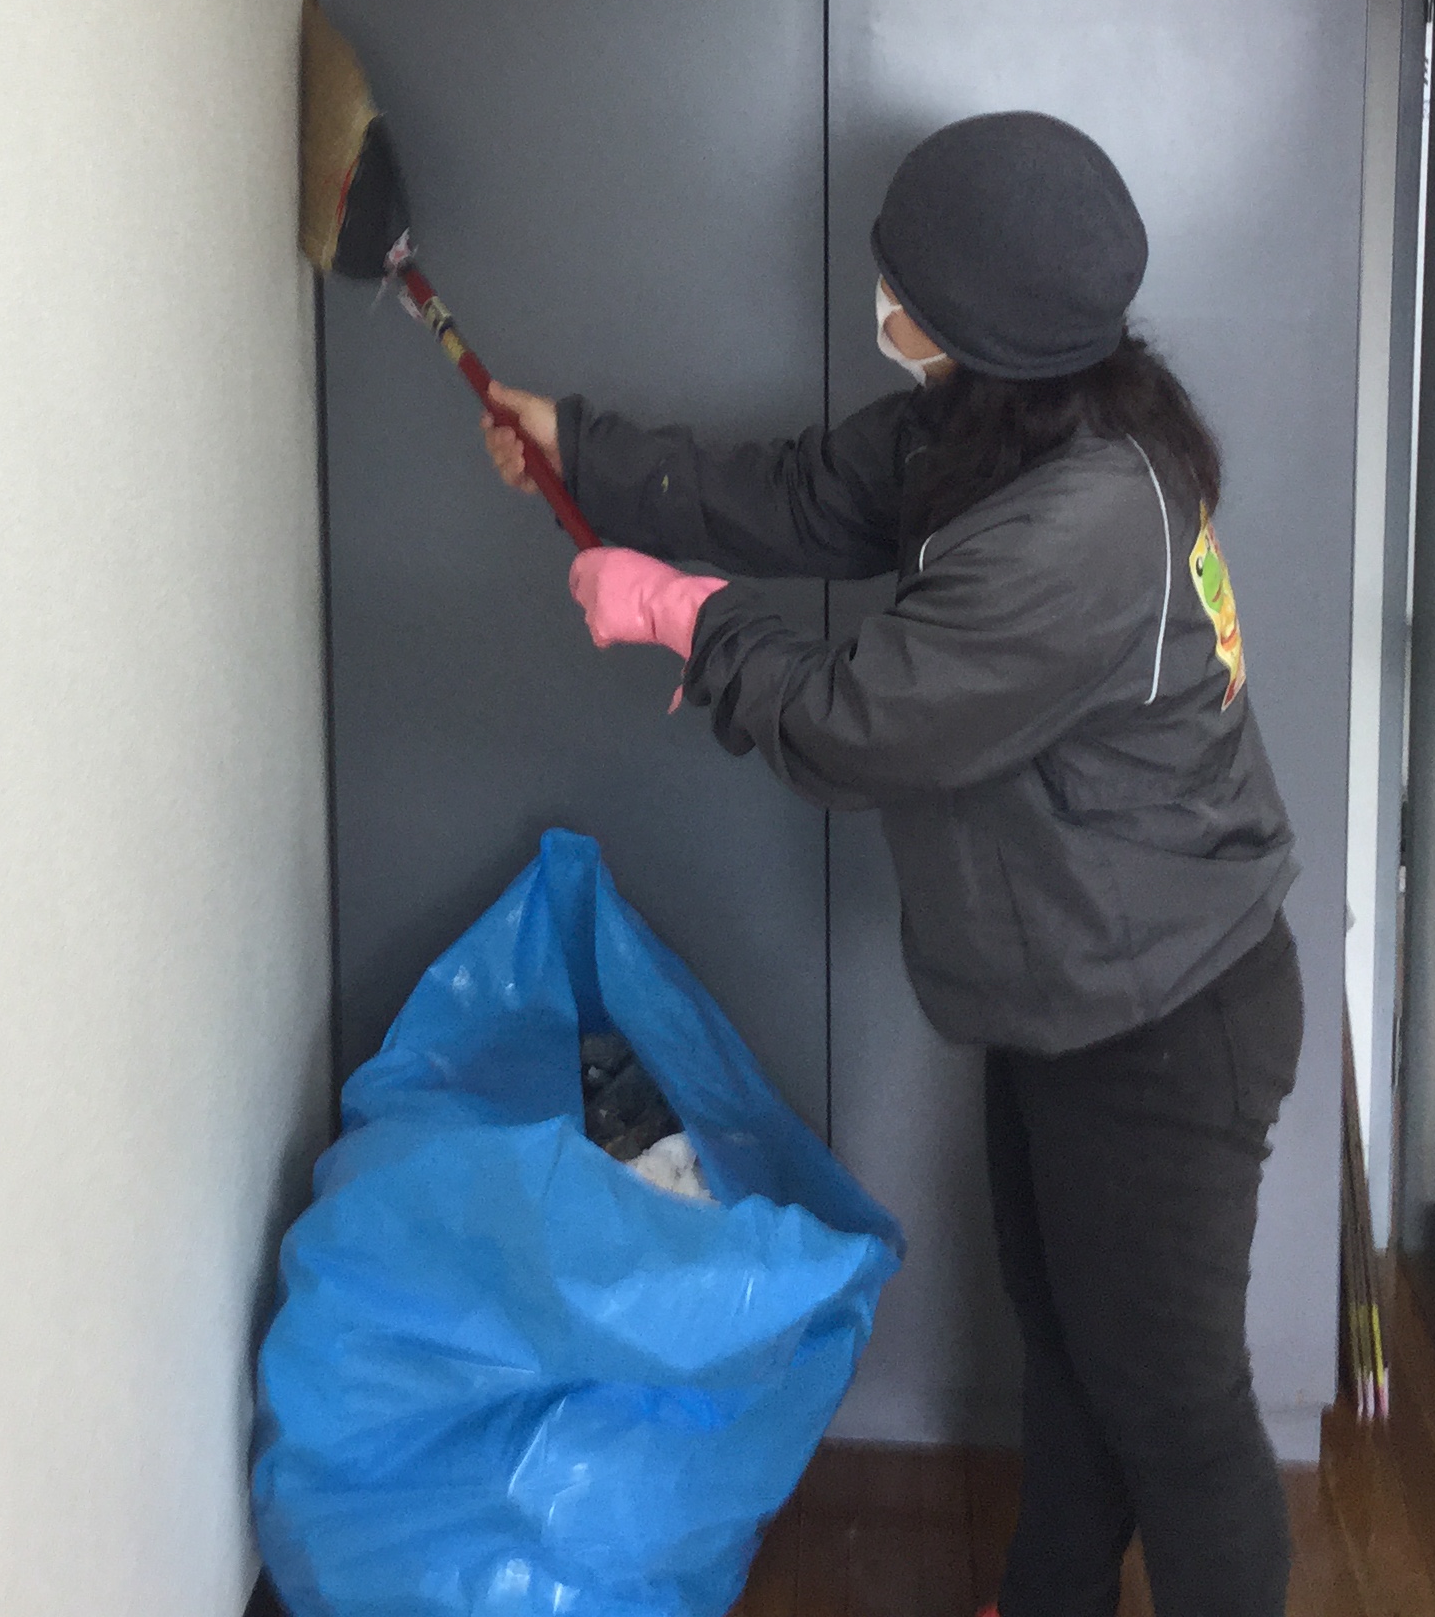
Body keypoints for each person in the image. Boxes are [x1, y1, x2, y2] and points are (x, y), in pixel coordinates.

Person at [480, 112, 1301, 1617]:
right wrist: (577, 446)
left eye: (907, 285)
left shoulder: (1082, 524)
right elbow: (801, 494)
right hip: (1072, 993)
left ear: (984, 315)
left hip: (1168, 1023)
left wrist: (685, 617)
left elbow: (859, 726)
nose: (886, 303)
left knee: (1176, 1417)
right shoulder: (990, 422)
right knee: (1075, 1360)